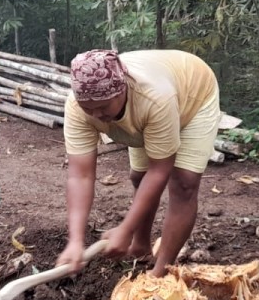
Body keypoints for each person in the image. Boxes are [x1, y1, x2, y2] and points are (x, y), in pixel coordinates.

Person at [56, 49, 221, 277]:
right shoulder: (77, 108)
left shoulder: (154, 98)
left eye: (104, 106)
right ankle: (141, 247)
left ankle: (161, 271)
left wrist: (125, 229)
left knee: (184, 184)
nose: (96, 115)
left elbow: (159, 171)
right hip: (150, 110)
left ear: (122, 90)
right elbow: (80, 176)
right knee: (138, 177)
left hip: (193, 96)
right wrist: (75, 240)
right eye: (88, 108)